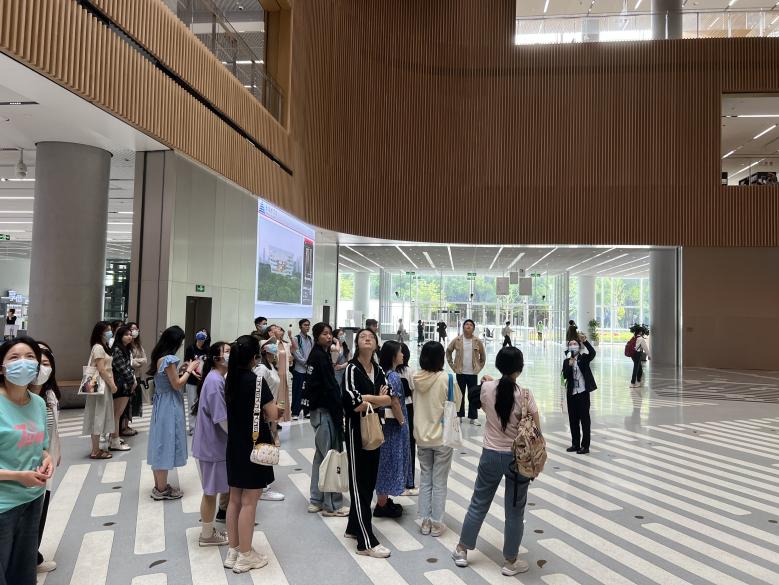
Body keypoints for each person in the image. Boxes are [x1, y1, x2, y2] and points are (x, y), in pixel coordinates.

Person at [452, 346, 539, 576]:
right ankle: (510, 561)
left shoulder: (486, 389)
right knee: (515, 511)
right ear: (519, 369)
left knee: (479, 502)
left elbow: (480, 400)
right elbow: (536, 431)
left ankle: (462, 550)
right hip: (517, 460)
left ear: (499, 365)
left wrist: (489, 382)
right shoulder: (525, 396)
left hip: (490, 455)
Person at [223, 335, 281, 573]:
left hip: (234, 444)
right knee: (249, 502)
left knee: (234, 499)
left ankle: (234, 550)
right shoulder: (257, 381)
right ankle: (246, 556)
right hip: (254, 445)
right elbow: (273, 413)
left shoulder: (229, 380)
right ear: (254, 357)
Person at [0, 337, 53, 585]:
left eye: (30, 357)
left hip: (32, 499)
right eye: (14, 357)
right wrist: (18, 476)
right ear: (2, 368)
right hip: (3, 504)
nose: (23, 362)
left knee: (23, 572)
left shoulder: (38, 403)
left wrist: (47, 458)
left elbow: (41, 447)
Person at [342, 328, 392, 558]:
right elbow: (353, 403)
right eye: (363, 337)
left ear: (376, 344)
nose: (367, 338)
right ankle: (366, 541)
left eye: (371, 337)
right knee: (359, 484)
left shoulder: (378, 369)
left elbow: (389, 398)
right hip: (356, 432)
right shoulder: (352, 369)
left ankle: (354, 526)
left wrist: (369, 398)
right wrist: (376, 398)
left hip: (375, 429)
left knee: (368, 483)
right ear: (357, 343)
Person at [413, 341, 461, 537]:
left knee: (425, 480)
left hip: (421, 437)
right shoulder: (447, 378)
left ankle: (424, 521)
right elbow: (457, 404)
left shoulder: (416, 378)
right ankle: (437, 523)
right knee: (439, 481)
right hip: (442, 437)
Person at [305, 323, 349, 517]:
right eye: (325, 334)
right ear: (317, 336)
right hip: (325, 412)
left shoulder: (317, 355)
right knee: (331, 457)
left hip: (317, 412)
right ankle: (332, 504)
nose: (329, 337)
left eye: (330, 334)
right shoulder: (320, 357)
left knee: (320, 457)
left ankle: (316, 499)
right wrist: (339, 412)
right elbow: (330, 387)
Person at [147, 326, 196, 500]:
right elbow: (177, 384)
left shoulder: (159, 357)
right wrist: (190, 369)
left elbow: (169, 379)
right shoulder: (169, 359)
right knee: (166, 442)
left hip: (161, 403)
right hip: (170, 404)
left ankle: (159, 486)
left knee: (159, 442)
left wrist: (180, 370)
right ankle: (162, 489)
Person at [192, 341, 230, 547]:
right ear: (217, 358)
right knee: (210, 492)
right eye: (227, 352)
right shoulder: (215, 381)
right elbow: (221, 419)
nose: (231, 355)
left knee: (211, 490)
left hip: (211, 444)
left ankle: (209, 531)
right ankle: (206, 535)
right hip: (212, 446)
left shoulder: (216, 378)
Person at [374, 340, 411, 518]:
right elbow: (395, 402)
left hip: (385, 426)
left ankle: (383, 499)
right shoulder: (394, 377)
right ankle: (382, 505)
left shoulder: (383, 373)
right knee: (390, 462)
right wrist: (403, 422)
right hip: (394, 426)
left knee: (385, 462)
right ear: (393, 356)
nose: (403, 355)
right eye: (400, 352)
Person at [31, 345, 59, 575]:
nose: (42, 368)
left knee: (41, 508)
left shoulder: (48, 395)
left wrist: (57, 452)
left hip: (47, 460)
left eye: (46, 363)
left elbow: (53, 430)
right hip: (26, 465)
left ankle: (33, 556)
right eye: (37, 363)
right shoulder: (19, 398)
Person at [252, 340, 286, 502]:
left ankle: (263, 484)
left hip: (269, 409)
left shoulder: (271, 366)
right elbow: (258, 391)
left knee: (266, 446)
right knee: (262, 448)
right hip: (262, 412)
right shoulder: (261, 368)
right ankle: (262, 487)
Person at [82, 322, 118, 460]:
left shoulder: (103, 347)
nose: (110, 332)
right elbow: (102, 369)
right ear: (100, 332)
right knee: (98, 415)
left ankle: (96, 448)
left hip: (101, 385)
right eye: (107, 330)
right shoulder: (98, 347)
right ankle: (95, 450)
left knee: (100, 415)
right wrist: (112, 385)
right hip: (100, 385)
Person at [446, 319, 487, 426]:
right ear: (463, 327)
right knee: (460, 395)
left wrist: (479, 367)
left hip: (473, 373)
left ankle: (473, 417)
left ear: (473, 328)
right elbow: (448, 351)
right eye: (466, 324)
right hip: (460, 372)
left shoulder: (477, 341)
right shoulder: (457, 340)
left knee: (473, 395)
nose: (468, 326)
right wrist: (453, 366)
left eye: (471, 325)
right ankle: (459, 416)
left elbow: (483, 356)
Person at [562, 332, 597, 454]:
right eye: (570, 344)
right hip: (572, 393)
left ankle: (585, 446)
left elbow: (593, 353)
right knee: (573, 419)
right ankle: (575, 444)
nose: (573, 345)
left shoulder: (584, 358)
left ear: (579, 346)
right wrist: (569, 365)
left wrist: (585, 341)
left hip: (583, 392)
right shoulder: (566, 361)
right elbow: (564, 376)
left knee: (585, 420)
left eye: (575, 343)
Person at [109, 326, 136, 452]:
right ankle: (115, 441)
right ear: (120, 336)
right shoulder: (117, 350)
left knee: (117, 414)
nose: (129, 336)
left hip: (123, 384)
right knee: (117, 414)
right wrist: (132, 382)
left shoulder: (124, 349)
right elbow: (123, 369)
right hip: (121, 384)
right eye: (126, 334)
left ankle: (114, 438)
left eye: (130, 334)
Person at [397, 344, 418, 496]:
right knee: (409, 444)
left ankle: (397, 480)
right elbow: (414, 393)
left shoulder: (385, 372)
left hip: (390, 410)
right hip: (408, 409)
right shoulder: (410, 371)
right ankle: (408, 481)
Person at [123, 321, 147, 436]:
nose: (135, 331)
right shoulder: (125, 345)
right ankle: (122, 427)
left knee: (132, 403)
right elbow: (128, 361)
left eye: (136, 329)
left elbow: (145, 360)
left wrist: (135, 362)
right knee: (125, 403)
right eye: (132, 329)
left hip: (136, 377)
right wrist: (135, 362)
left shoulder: (138, 345)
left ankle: (126, 425)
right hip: (127, 377)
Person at [184, 330, 209, 434]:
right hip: (192, 380)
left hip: (203, 380)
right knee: (192, 403)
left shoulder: (207, 349)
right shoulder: (191, 348)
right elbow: (187, 362)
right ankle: (193, 427)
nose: (201, 338)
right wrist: (193, 373)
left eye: (203, 336)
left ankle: (202, 427)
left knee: (203, 404)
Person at [292, 319, 313, 420]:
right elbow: (296, 353)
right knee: (297, 391)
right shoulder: (296, 338)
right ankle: (295, 412)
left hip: (308, 370)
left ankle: (306, 411)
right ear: (300, 326)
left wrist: (310, 364)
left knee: (307, 392)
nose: (307, 327)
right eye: (305, 325)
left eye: (308, 325)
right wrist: (305, 363)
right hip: (299, 369)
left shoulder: (310, 339)